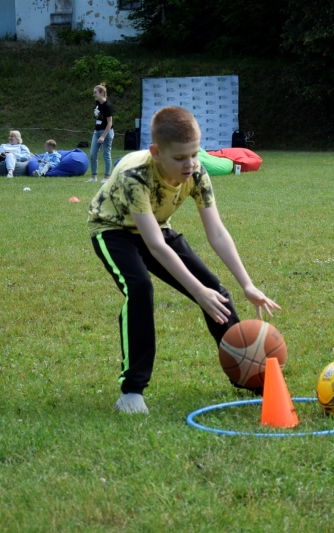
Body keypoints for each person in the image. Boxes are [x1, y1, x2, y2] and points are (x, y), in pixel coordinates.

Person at [87, 106, 280, 415]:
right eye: (179, 158)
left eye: (194, 154)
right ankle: (131, 392)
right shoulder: (134, 174)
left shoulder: (197, 171)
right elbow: (155, 246)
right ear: (156, 152)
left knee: (215, 290)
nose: (190, 164)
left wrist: (247, 284)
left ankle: (253, 379)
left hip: (157, 228)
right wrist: (196, 293)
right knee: (139, 288)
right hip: (113, 230)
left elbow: (216, 232)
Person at [87, 84, 114, 183]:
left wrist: (103, 136)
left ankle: (107, 178)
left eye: (95, 93)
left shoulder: (108, 106)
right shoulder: (97, 103)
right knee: (92, 154)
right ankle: (94, 177)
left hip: (106, 132)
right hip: (97, 131)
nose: (94, 95)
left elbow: (110, 123)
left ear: (102, 93)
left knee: (106, 154)